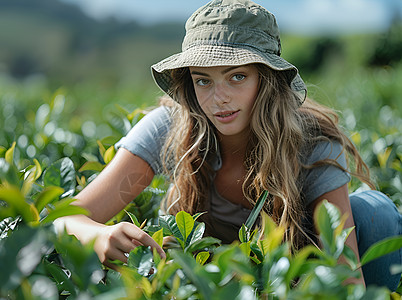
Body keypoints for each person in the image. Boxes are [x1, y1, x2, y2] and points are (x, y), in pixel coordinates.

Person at [55, 0, 402, 291]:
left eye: (237, 76)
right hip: (207, 284)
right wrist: (96, 236)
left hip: (290, 285)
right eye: (203, 80)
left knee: (374, 213)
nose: (219, 99)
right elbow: (61, 220)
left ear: (266, 79)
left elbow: (347, 281)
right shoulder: (171, 126)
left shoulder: (311, 143)